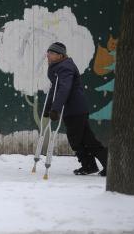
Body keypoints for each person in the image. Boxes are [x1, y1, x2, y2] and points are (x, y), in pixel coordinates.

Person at [44, 42, 108, 176]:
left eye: (51, 53)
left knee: (77, 140)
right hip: (76, 109)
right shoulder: (58, 66)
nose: (48, 55)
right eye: (48, 52)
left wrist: (55, 109)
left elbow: (63, 89)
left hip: (75, 109)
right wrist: (49, 107)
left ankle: (94, 165)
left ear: (60, 55)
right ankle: (95, 165)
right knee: (86, 139)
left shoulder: (65, 67)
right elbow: (54, 89)